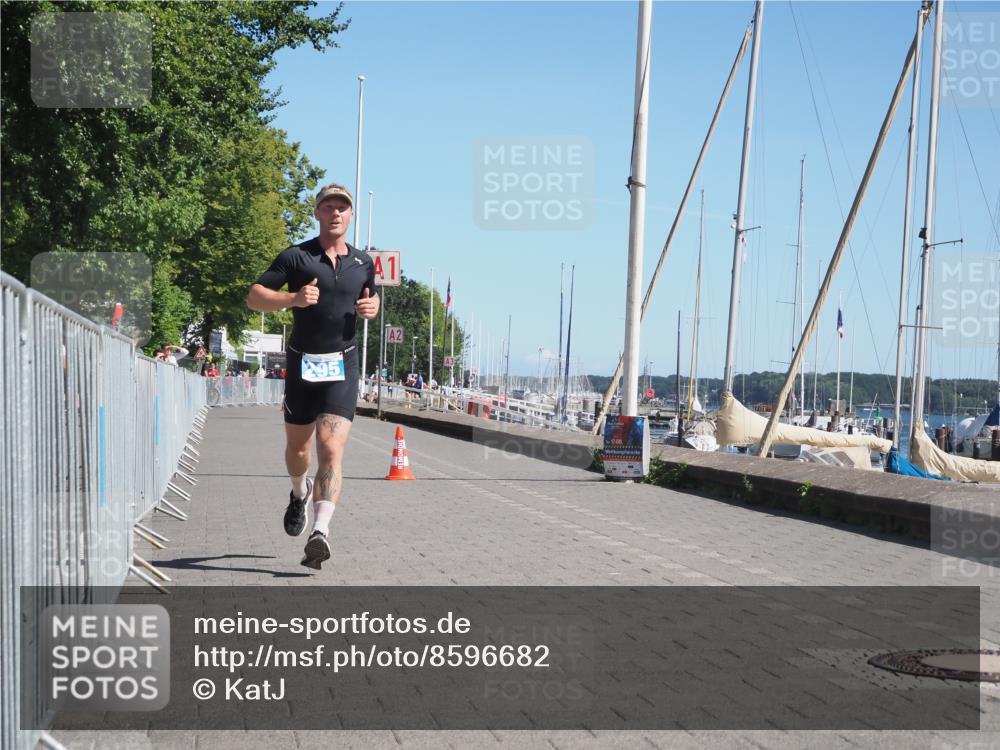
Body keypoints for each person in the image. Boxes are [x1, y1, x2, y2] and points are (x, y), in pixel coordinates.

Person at [246, 182, 379, 570]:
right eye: (328, 207)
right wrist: (292, 299)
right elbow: (254, 296)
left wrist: (372, 306)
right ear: (318, 213)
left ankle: (320, 532)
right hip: (303, 364)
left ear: (351, 216)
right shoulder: (296, 257)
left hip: (343, 364)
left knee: (331, 447)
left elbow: (369, 297)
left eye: (342, 207)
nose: (336, 213)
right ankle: (297, 493)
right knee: (299, 450)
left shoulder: (363, 263)